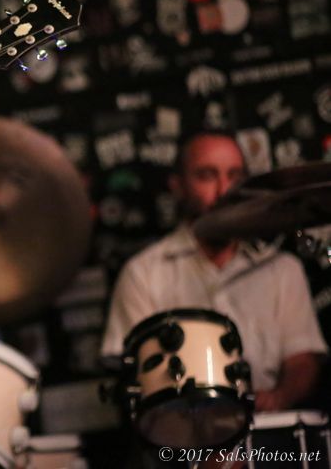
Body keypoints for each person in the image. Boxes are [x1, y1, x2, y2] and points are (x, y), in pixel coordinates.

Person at [101, 130, 327, 413]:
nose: (224, 191)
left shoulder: (281, 269)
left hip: (268, 430)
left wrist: (277, 398)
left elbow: (303, 358)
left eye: (234, 176)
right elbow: (131, 371)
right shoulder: (143, 273)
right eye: (207, 176)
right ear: (178, 186)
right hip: (181, 433)